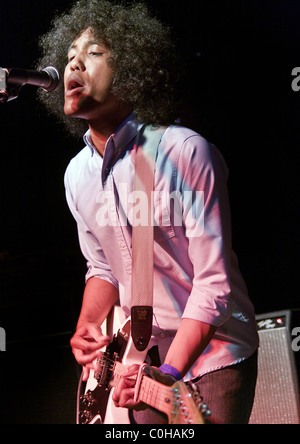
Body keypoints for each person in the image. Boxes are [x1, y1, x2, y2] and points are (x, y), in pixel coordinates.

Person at [37, 0, 259, 424]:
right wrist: (88, 324)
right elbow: (102, 267)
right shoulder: (76, 175)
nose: (73, 67)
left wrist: (167, 375)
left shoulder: (184, 152)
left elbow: (214, 286)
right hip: (139, 358)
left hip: (213, 355)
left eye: (93, 54)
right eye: (68, 58)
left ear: (131, 70)